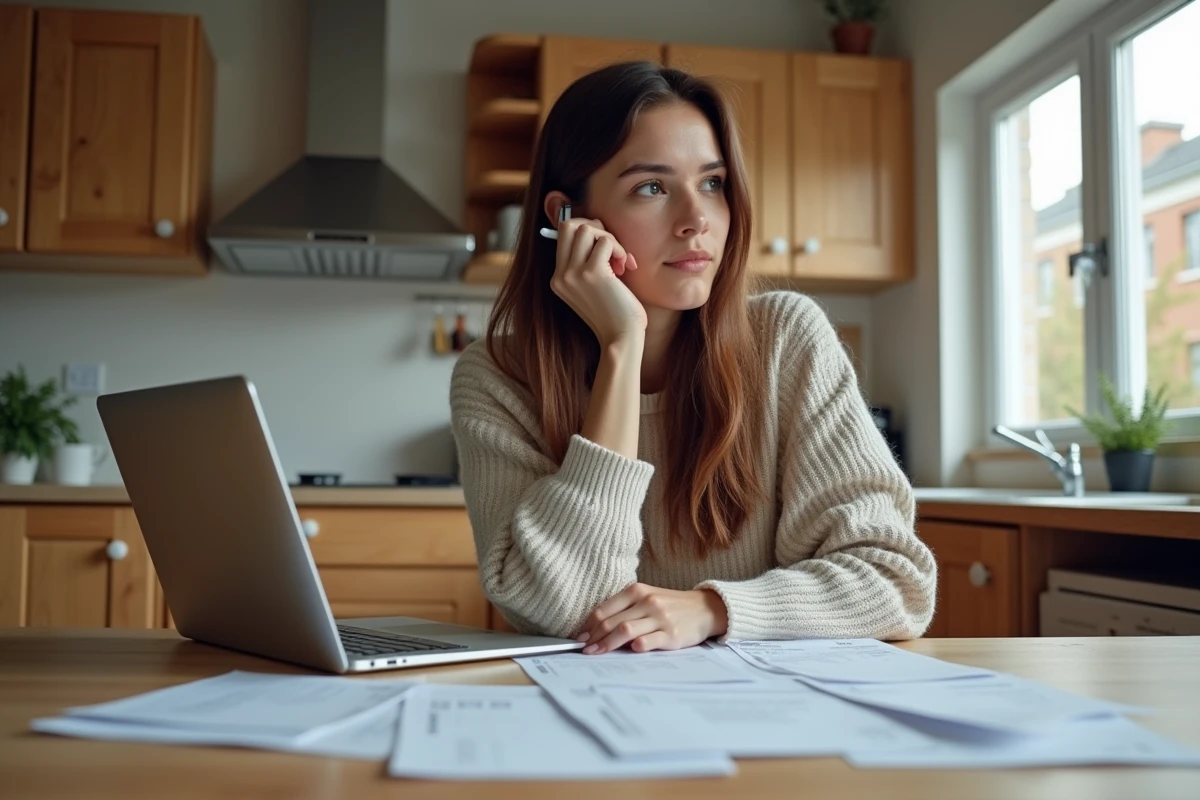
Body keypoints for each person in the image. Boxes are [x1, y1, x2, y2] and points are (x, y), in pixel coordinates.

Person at [450, 61, 936, 655]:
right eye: (651, 188)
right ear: (567, 217)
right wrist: (621, 347)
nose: (696, 220)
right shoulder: (497, 377)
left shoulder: (787, 339)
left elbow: (895, 581)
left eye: (712, 183)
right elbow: (564, 607)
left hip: (771, 701)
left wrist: (714, 609)